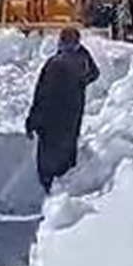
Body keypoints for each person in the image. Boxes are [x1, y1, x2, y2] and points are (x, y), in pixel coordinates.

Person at [25, 27, 101, 191]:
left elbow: (42, 96)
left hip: (52, 120)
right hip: (74, 114)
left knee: (48, 162)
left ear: (61, 41)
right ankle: (66, 190)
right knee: (68, 152)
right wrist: (80, 83)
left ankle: (52, 196)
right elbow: (94, 73)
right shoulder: (82, 58)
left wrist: (32, 121)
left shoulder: (54, 65)